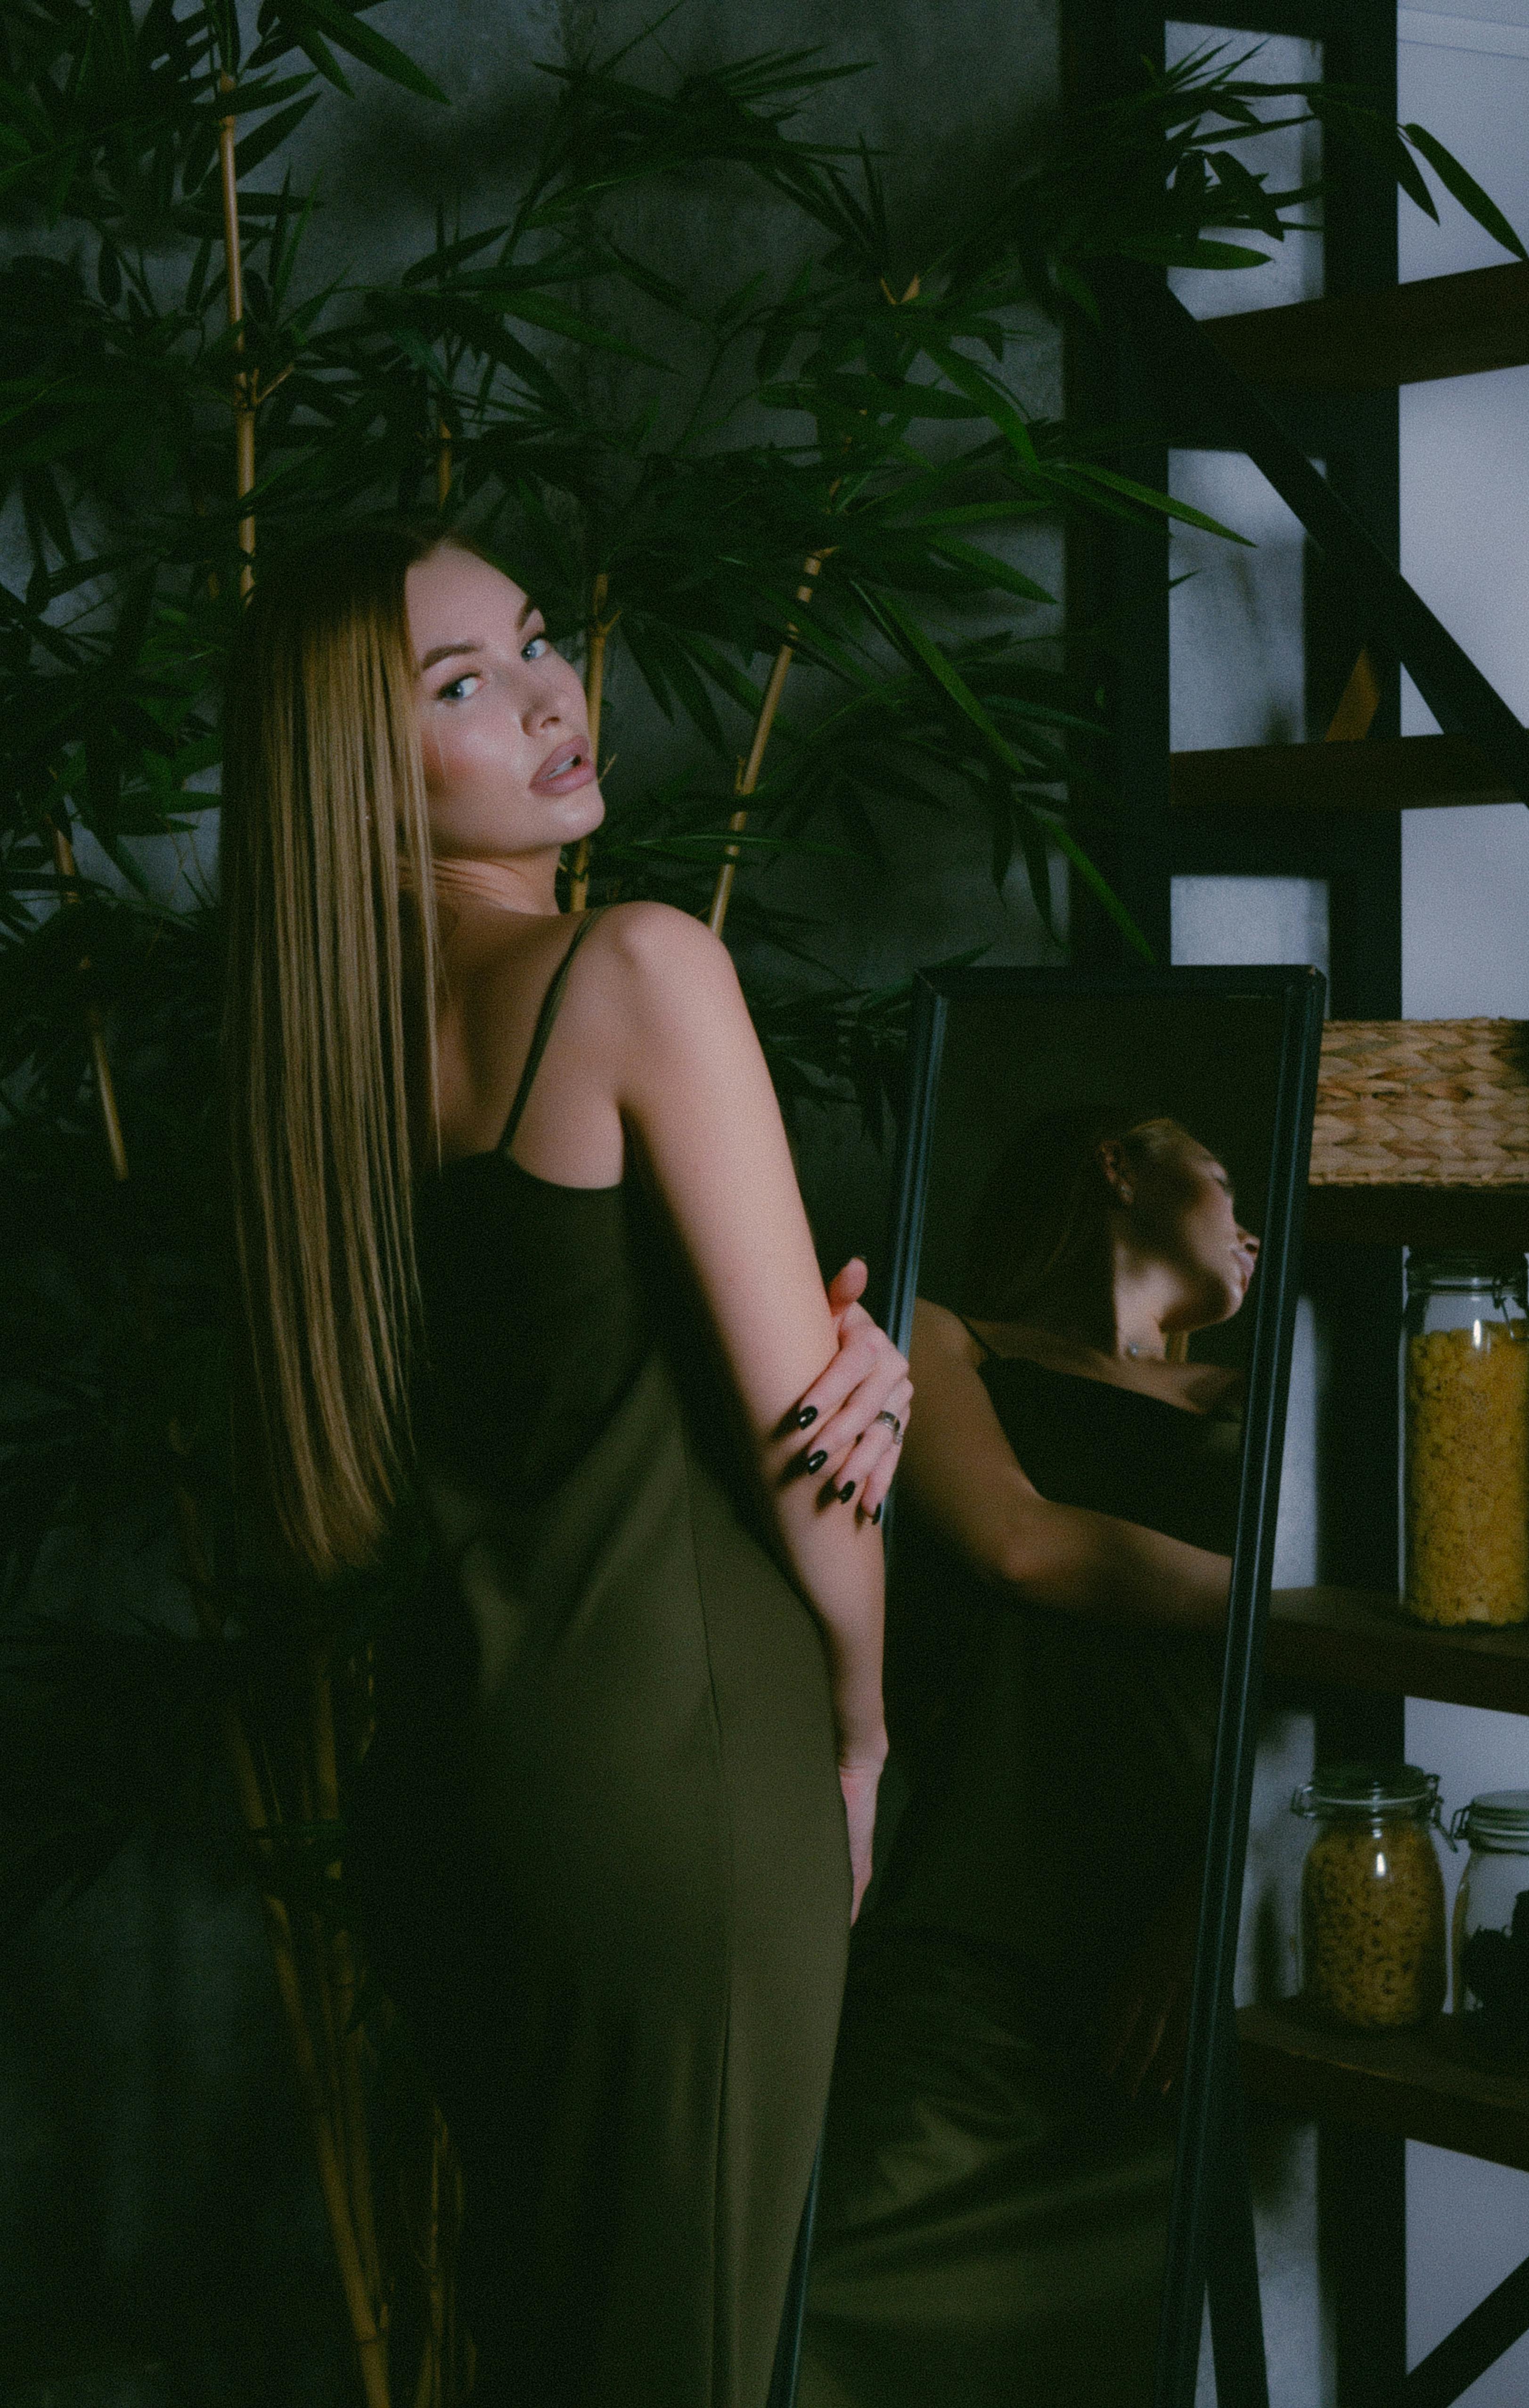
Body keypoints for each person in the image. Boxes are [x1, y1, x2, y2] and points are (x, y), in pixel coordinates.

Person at [219, 525, 912, 2408]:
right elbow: (810, 1459)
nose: (546, 695)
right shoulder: (636, 970)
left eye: (532, 644)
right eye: (459, 685)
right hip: (670, 1797)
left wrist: (838, 1367)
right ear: (365, 772)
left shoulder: (317, 1061)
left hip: (449, 1796)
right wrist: (857, 1728)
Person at [799, 1109, 1259, 2408]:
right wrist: (1291, 1608)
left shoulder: (1264, 1395)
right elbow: (1015, 1542)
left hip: (1181, 1930)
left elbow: (1317, 1708)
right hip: (973, 1922)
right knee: (823, 2303)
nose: (1252, 1222)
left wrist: (1218, 1892)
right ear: (1118, 1159)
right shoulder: (948, 1338)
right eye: (1219, 1173)